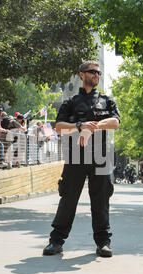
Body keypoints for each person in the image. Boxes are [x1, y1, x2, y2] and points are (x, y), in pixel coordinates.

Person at [43, 60, 120, 258]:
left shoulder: (107, 100)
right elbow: (59, 126)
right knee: (68, 199)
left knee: (101, 200)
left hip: (101, 154)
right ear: (82, 74)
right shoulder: (70, 102)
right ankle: (56, 241)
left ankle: (103, 242)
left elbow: (115, 122)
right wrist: (79, 126)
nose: (96, 75)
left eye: (98, 72)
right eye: (92, 72)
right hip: (76, 154)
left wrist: (92, 127)